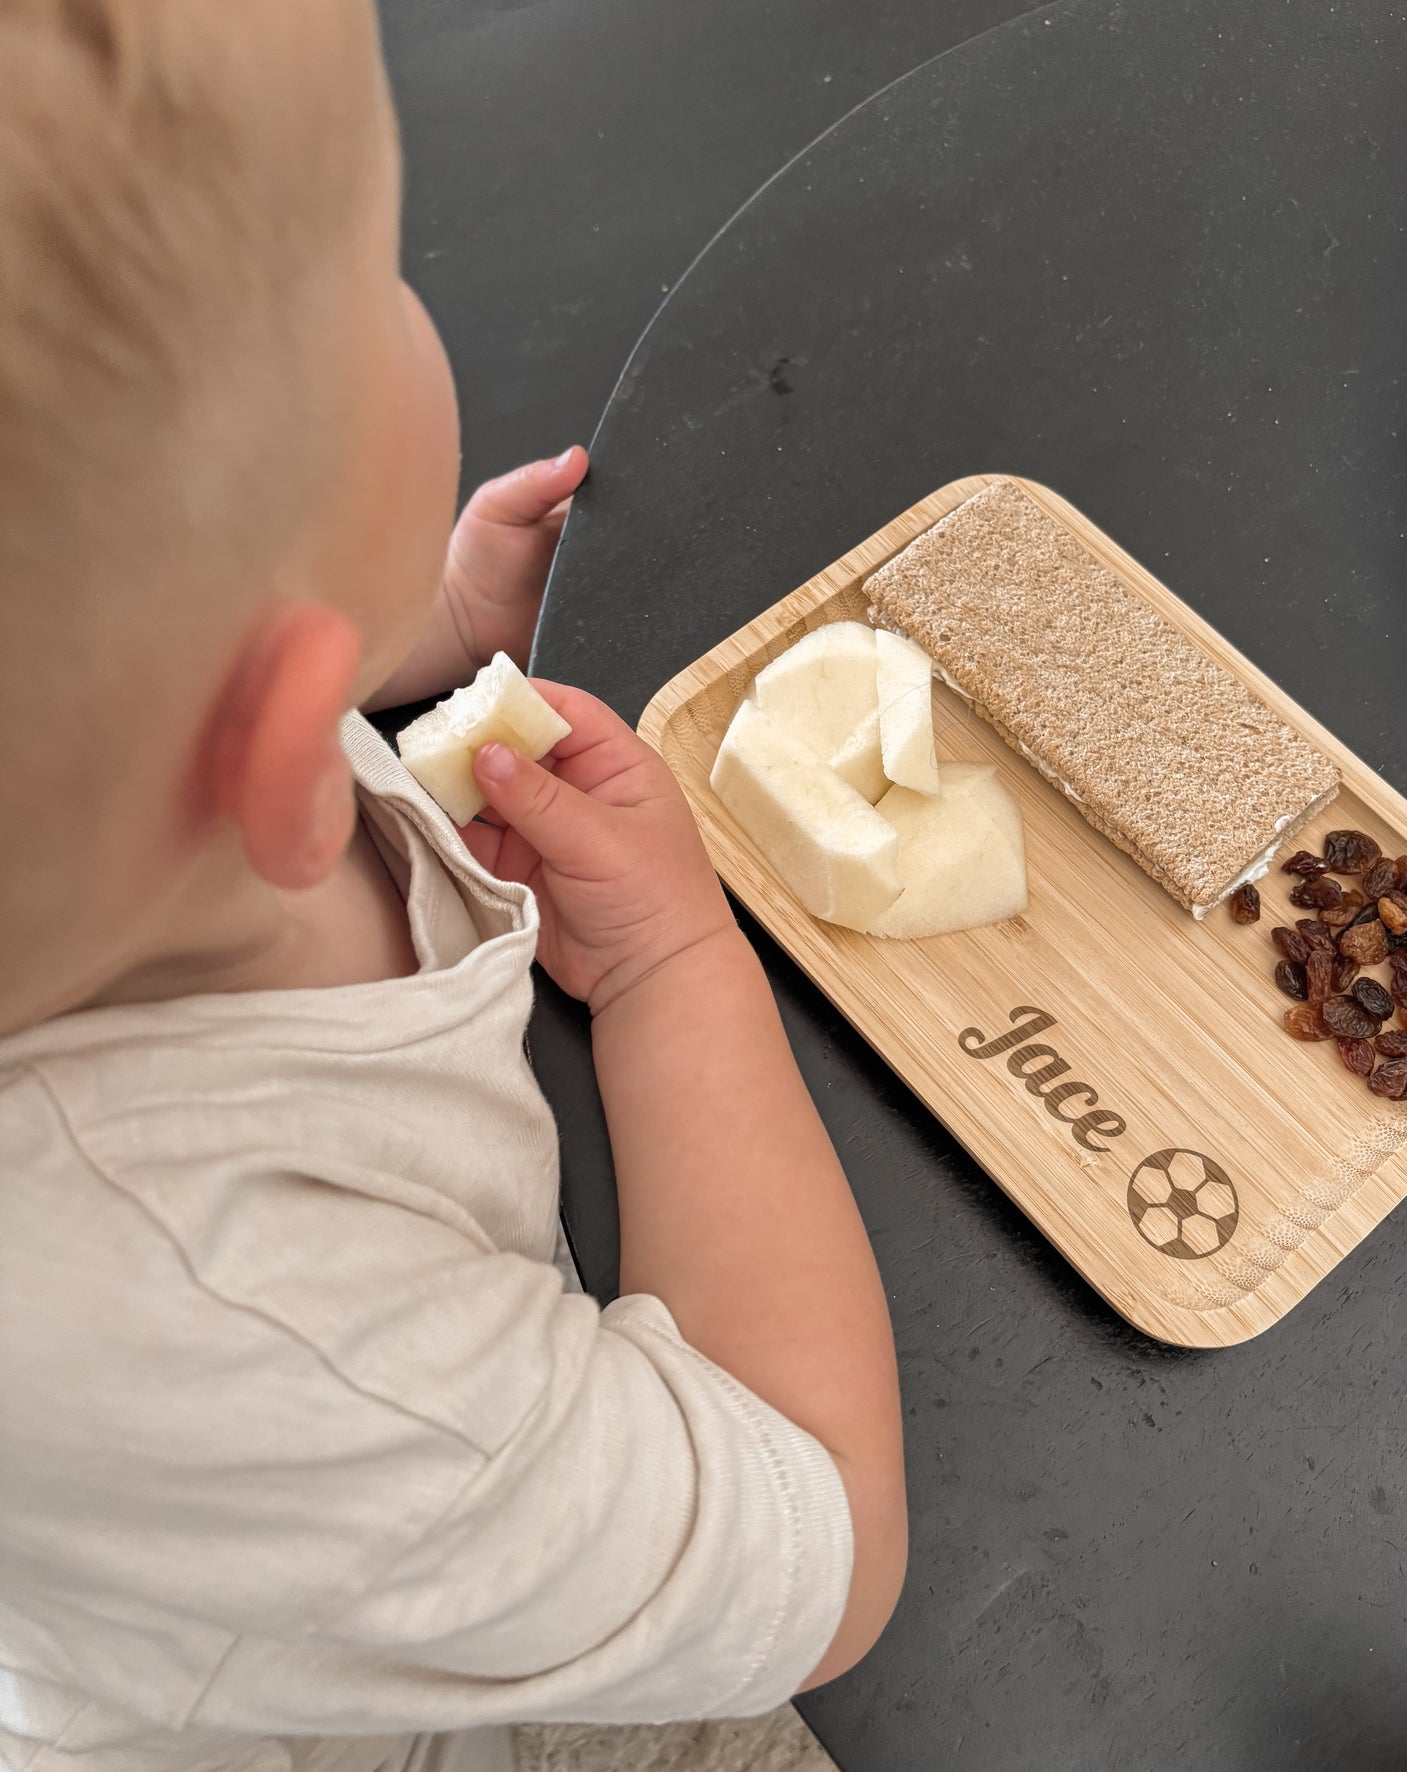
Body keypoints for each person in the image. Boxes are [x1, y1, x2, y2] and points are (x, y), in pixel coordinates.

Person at [0, 6, 907, 1772]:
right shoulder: (246, 1334)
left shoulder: (86, 783)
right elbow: (823, 1539)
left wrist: (407, 629)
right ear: (269, 749)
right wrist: (671, 971)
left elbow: (148, 663)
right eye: (371, 282)